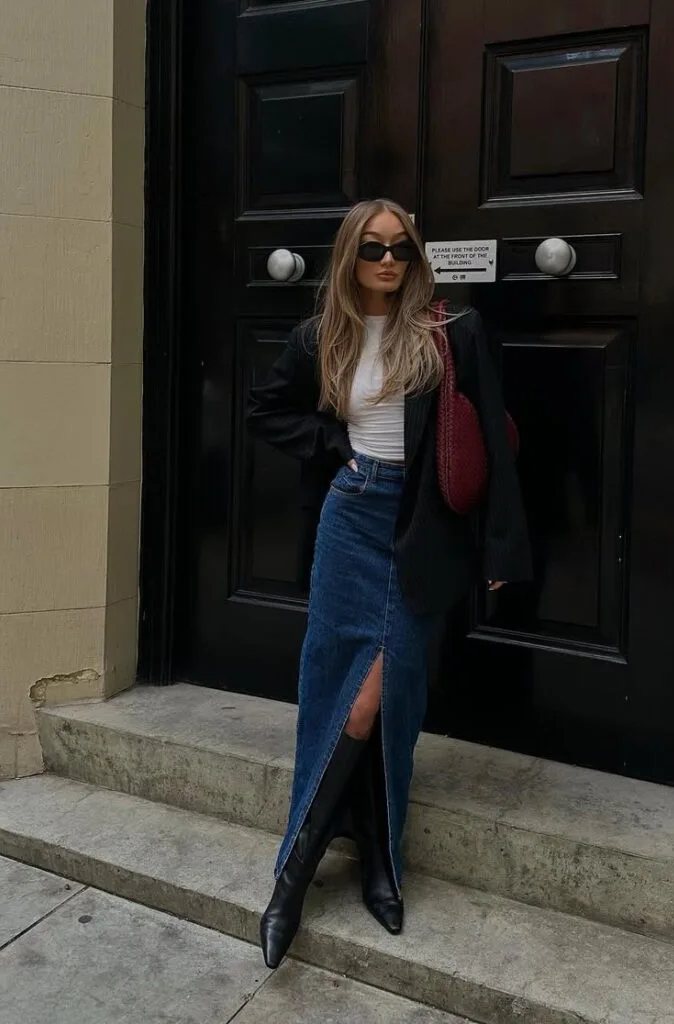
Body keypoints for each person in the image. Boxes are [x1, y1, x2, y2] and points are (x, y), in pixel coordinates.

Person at [247, 198, 531, 969]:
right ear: (349, 255)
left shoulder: (450, 333)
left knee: (384, 693)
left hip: (424, 530)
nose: (386, 260)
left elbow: (497, 445)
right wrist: (334, 448)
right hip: (350, 516)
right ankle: (304, 873)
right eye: (372, 248)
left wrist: (501, 545)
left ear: (414, 256)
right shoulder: (320, 337)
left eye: (400, 248)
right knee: (331, 683)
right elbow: (265, 409)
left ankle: (354, 854)